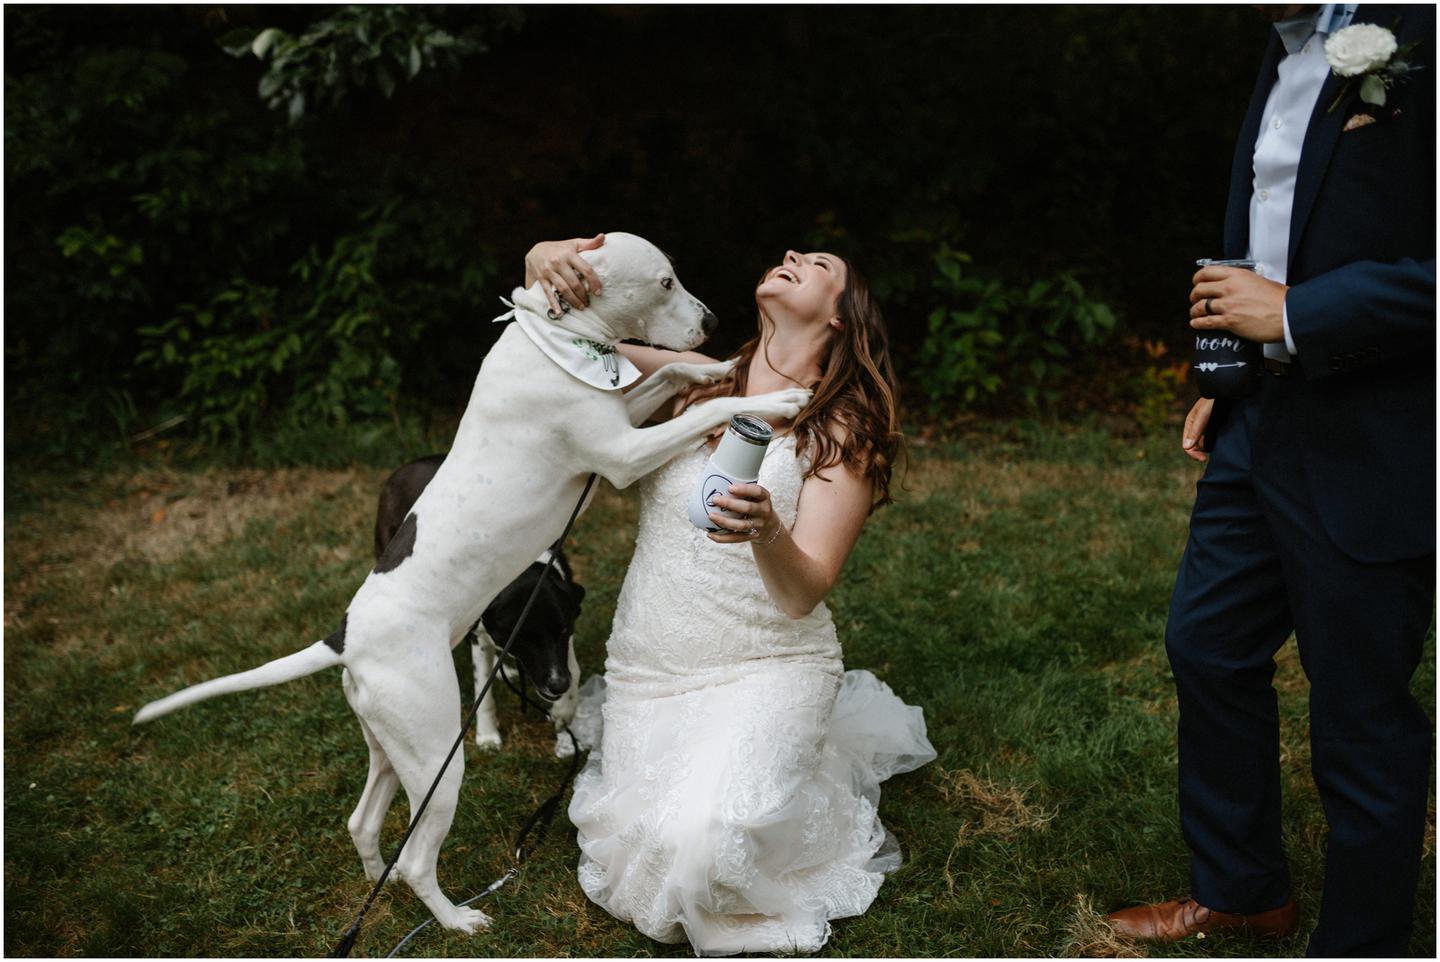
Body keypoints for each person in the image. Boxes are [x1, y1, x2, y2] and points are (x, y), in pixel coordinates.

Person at [1108, 4, 1435, 955]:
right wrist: (1228, 368)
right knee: (1207, 645)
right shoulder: (1279, 48)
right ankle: (1243, 889)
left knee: (1358, 707)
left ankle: (1364, 939)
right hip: (1259, 415)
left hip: (1381, 429)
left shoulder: (1427, 30)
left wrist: (1297, 315)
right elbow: (1268, 220)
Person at [523, 234, 937, 955]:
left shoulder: (843, 430)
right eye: (795, 253)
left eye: (821, 267)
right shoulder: (696, 382)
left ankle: (799, 771)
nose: (795, 257)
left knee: (707, 847)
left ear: (840, 317)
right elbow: (549, 338)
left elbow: (804, 593)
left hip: (765, 666)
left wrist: (767, 529)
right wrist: (543, 256)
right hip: (652, 667)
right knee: (648, 851)